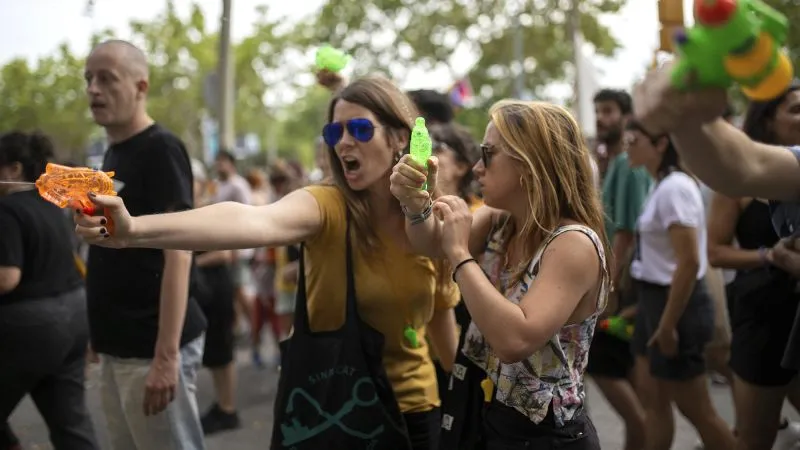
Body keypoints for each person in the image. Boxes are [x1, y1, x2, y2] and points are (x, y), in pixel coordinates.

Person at [75, 75, 460, 450]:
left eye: (359, 129)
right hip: (335, 409)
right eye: (333, 132)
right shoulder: (327, 204)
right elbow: (251, 219)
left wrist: (465, 410)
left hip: (417, 412)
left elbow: (442, 322)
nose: (343, 142)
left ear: (398, 138)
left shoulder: (433, 218)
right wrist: (133, 230)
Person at [391, 100, 608, 448]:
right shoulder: (501, 219)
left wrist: (461, 256)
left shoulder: (573, 244)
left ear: (530, 163)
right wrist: (415, 205)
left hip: (547, 437)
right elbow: (430, 243)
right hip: (494, 418)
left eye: (488, 154)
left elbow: (515, 341)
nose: (477, 167)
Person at [82, 39, 206, 449]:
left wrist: (166, 358)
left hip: (151, 350)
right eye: (88, 79)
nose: (93, 90)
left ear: (141, 86)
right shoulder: (113, 150)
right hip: (114, 348)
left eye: (106, 79)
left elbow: (180, 251)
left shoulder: (162, 148)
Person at [623, 123, 735, 450]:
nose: (628, 146)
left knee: (698, 410)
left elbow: (688, 262)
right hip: (656, 301)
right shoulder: (662, 184)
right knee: (654, 400)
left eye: (635, 140)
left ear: (661, 144)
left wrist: (668, 324)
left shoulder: (675, 188)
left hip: (676, 306)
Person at [706, 85, 800, 450]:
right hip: (762, 316)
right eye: (795, 110)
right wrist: (769, 256)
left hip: (797, 314)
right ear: (768, 121)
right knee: (755, 436)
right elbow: (714, 251)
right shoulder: (738, 181)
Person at [0, 131, 99, 450]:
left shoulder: (8, 210)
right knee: (72, 425)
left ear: (13, 169)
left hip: (28, 326)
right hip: (73, 320)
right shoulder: (51, 206)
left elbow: (7, 278)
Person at [587, 88, 651, 450]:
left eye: (608, 110)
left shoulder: (628, 163)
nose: (600, 118)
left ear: (626, 116)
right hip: (616, 282)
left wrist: (607, 289)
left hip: (619, 285)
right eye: (597, 111)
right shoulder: (610, 160)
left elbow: (626, 232)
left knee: (609, 372)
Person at [189, 159, 241, 434]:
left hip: (218, 287)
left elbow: (224, 253)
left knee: (222, 350)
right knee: (214, 353)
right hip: (204, 289)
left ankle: (228, 408)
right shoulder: (189, 211)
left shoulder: (210, 211)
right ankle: (223, 405)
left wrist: (190, 264)